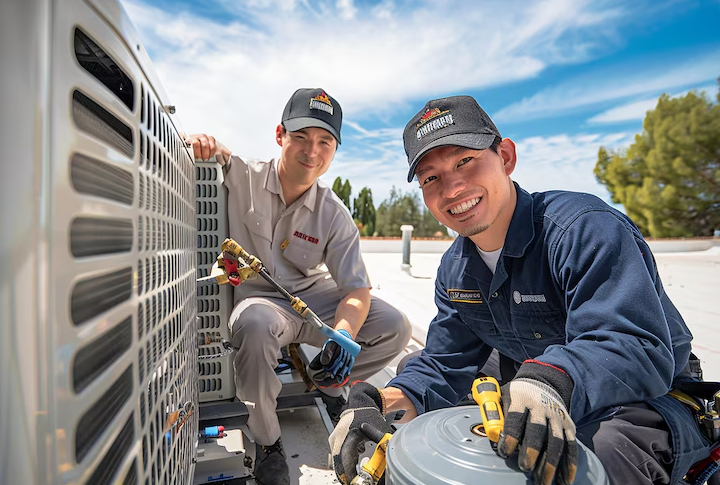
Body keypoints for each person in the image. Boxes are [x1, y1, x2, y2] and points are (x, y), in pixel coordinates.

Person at [329, 95, 718, 485]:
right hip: (536, 376)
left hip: (649, 395)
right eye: (431, 177)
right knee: (420, 387)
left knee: (598, 452)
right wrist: (381, 402)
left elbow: (637, 346)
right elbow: (446, 362)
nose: (451, 188)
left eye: (465, 161)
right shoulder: (455, 268)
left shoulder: (583, 230)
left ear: (506, 157)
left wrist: (549, 379)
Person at [187, 88, 411, 485]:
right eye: (302, 137)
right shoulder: (244, 176)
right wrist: (198, 142)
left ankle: (327, 379)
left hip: (313, 302)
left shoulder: (334, 213)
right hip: (261, 301)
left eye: (325, 141)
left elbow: (356, 290)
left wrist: (342, 336)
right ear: (280, 136)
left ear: (335, 150)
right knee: (254, 326)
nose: (313, 151)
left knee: (396, 325)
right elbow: (212, 151)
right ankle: (269, 441)